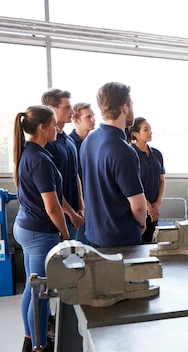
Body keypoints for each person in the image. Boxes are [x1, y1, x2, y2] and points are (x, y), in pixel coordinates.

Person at [13, 105, 70, 352]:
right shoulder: (40, 159)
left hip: (26, 227)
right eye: (54, 124)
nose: (57, 128)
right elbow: (52, 206)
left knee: (31, 288)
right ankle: (40, 350)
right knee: (40, 295)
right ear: (42, 128)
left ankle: (29, 340)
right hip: (39, 233)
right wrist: (64, 232)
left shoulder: (30, 153)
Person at [80, 82, 147, 247]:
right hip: (120, 239)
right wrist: (142, 222)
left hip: (94, 234)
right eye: (131, 105)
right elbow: (137, 205)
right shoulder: (123, 150)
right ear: (125, 107)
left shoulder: (89, 140)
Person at [41, 89, 85, 241]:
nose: (72, 111)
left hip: (75, 214)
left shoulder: (69, 141)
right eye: (66, 107)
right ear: (52, 109)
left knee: (74, 262)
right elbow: (51, 187)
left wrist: (81, 205)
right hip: (59, 218)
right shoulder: (47, 143)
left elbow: (76, 174)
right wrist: (70, 212)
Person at [128, 117, 166, 243]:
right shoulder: (130, 153)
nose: (150, 132)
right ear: (135, 134)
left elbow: (161, 179)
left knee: (151, 244)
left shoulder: (157, 154)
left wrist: (158, 203)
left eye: (150, 129)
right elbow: (132, 183)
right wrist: (148, 205)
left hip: (154, 209)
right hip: (137, 207)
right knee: (137, 245)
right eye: (146, 130)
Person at [69, 102, 95, 243]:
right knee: (77, 247)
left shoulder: (96, 142)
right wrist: (81, 204)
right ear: (76, 120)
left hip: (95, 201)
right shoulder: (69, 144)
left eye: (93, 116)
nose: (93, 120)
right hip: (78, 205)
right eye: (88, 117)